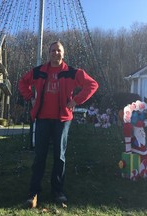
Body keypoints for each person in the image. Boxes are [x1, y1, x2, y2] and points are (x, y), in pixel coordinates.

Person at [18, 41, 99, 208]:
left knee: (59, 157)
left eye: (59, 50)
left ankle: (58, 191)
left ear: (64, 53)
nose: (56, 53)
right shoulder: (39, 71)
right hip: (42, 119)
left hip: (62, 120)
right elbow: (22, 83)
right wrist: (30, 98)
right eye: (53, 50)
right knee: (39, 156)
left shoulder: (71, 72)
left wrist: (76, 100)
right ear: (49, 53)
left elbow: (92, 84)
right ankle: (34, 193)